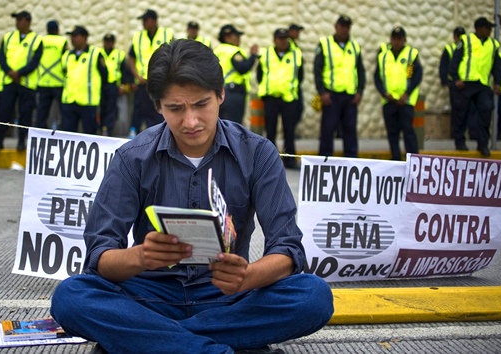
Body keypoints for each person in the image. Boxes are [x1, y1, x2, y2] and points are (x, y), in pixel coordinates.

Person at [50, 39, 333, 354]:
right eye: (175, 108)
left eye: (201, 104)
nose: (191, 122)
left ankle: (152, 341)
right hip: (150, 295)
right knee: (71, 297)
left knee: (313, 296)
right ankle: (206, 347)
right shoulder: (132, 158)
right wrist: (140, 257)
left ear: (221, 94)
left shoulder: (257, 153)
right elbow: (100, 257)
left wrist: (248, 276)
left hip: (229, 298)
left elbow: (288, 249)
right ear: (158, 106)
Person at [449, 17, 501, 157]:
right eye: (488, 28)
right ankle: (460, 143)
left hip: (483, 84)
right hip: (465, 84)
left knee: (485, 111)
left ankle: (483, 144)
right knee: (461, 114)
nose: (490, 31)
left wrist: (498, 82)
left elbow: (497, 65)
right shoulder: (466, 40)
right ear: (479, 29)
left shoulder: (493, 44)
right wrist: (456, 79)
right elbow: (455, 60)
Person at [314, 15, 366, 157]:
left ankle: (351, 162)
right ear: (336, 27)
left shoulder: (354, 46)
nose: (344, 29)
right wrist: (322, 92)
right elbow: (317, 70)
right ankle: (325, 161)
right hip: (331, 95)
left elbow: (360, 70)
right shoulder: (325, 44)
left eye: (347, 27)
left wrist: (360, 91)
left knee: (350, 130)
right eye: (342, 26)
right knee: (328, 130)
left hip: (350, 96)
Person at [0, 10, 43, 153]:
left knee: (25, 113)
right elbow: (1, 57)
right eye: (17, 20)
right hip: (9, 81)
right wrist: (10, 72)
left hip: (26, 83)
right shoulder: (8, 37)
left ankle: (21, 141)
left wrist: (19, 73)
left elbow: (35, 62)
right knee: (4, 112)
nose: (18, 22)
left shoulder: (36, 40)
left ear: (28, 21)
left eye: (21, 19)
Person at [256, 28, 303, 169]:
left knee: (289, 131)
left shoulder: (296, 54)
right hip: (271, 98)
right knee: (270, 130)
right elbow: (260, 75)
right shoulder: (266, 54)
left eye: (285, 38)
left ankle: (290, 160)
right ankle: (271, 161)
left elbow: (300, 76)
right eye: (280, 38)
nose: (283, 41)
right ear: (274, 39)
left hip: (289, 98)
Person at [374, 27, 423, 161]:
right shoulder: (383, 56)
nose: (396, 42)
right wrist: (384, 93)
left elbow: (415, 76)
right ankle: (395, 159)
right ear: (390, 40)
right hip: (389, 101)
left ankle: (413, 161)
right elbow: (377, 77)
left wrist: (407, 94)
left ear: (404, 40)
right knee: (392, 133)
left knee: (408, 130)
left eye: (399, 39)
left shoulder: (410, 55)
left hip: (405, 101)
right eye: (394, 39)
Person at [127, 9, 173, 137]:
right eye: (143, 21)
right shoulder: (138, 36)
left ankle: (160, 135)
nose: (144, 23)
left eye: (146, 20)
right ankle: (135, 134)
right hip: (143, 82)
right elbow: (131, 57)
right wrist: (136, 75)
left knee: (159, 110)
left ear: (154, 20)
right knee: (140, 110)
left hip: (161, 81)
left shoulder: (166, 33)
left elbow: (174, 55)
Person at [59, 26, 107, 135]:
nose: (72, 39)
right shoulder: (67, 55)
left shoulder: (95, 53)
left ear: (85, 38)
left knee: (90, 134)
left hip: (88, 102)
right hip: (69, 101)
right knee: (68, 135)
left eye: (75, 36)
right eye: (71, 36)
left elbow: (105, 76)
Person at [214, 24, 259, 124]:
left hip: (218, 93)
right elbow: (243, 68)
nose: (239, 39)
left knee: (220, 125)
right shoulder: (233, 51)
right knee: (232, 126)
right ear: (227, 37)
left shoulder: (217, 51)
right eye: (237, 36)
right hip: (233, 94)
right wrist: (253, 56)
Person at [35, 20, 67, 130]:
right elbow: (66, 60)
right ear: (57, 30)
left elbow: (36, 59)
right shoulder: (62, 41)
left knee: (42, 112)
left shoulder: (42, 40)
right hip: (59, 81)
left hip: (43, 81)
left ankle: (41, 134)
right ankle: (64, 132)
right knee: (64, 112)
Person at [439, 26, 469, 141]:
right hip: (455, 84)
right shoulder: (450, 49)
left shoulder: (468, 48)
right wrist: (446, 82)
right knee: (456, 110)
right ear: (454, 37)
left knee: (467, 111)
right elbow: (444, 66)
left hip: (467, 85)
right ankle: (456, 134)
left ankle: (466, 133)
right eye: (459, 36)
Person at [100, 33, 132, 136]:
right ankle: (101, 128)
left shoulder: (119, 54)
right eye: (106, 41)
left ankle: (108, 131)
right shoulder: (99, 53)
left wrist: (123, 85)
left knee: (111, 109)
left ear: (113, 43)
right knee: (101, 109)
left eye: (110, 42)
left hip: (113, 85)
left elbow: (124, 71)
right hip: (100, 86)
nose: (108, 44)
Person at [288, 23, 305, 126]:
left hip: (295, 84)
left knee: (298, 110)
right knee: (295, 111)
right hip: (290, 86)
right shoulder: (289, 45)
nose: (298, 34)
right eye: (296, 31)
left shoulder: (294, 45)